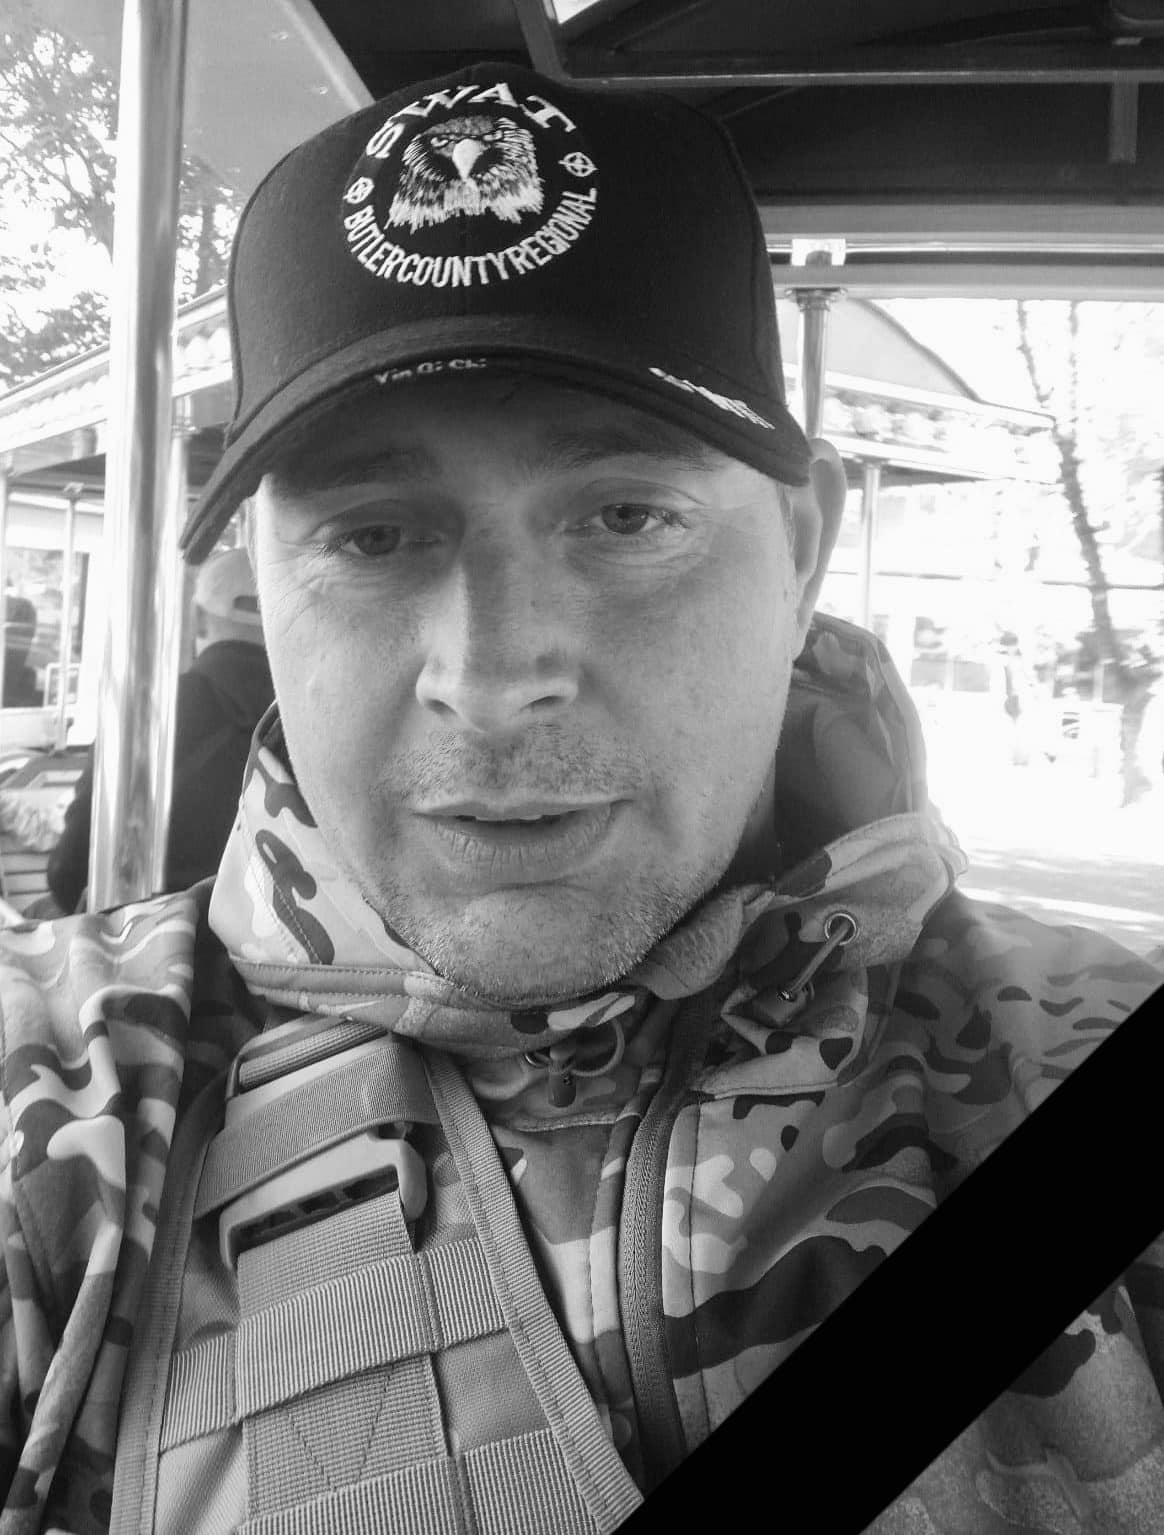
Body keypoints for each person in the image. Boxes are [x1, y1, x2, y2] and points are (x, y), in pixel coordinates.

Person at [0, 63, 1160, 1535]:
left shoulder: (1075, 1045)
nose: (492, 678)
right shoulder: (64, 1094)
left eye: (626, 516)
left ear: (803, 552)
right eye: (373, 536)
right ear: (257, 582)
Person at [44, 547, 273, 914]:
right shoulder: (315, 718)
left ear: (198, 620)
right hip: (267, 941)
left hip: (151, 933)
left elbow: (68, 873)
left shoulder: (147, 710)